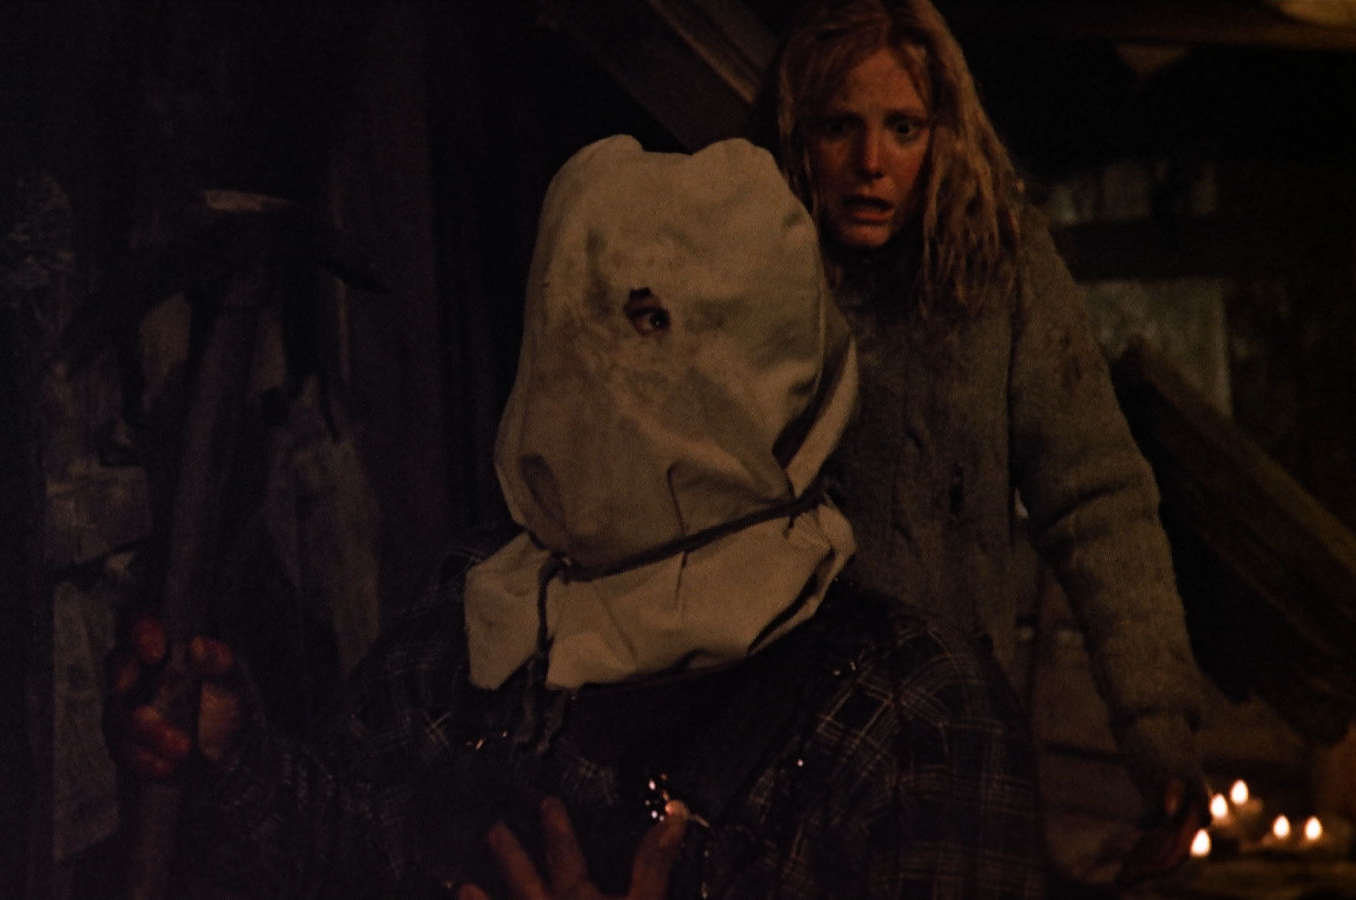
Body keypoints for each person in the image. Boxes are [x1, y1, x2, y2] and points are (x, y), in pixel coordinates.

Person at [112, 135, 1046, 899]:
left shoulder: (912, 721)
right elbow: (353, 848)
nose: (612, 379)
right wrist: (233, 759)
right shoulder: (484, 609)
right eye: (586, 323)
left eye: (650, 326)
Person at [749, 0, 1209, 882]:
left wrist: (1158, 733)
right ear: (797, 136)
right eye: (839, 127)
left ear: (944, 136)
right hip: (788, 746)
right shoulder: (745, 280)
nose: (872, 162)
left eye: (904, 128)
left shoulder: (1000, 271)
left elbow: (1099, 502)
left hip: (961, 741)